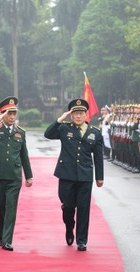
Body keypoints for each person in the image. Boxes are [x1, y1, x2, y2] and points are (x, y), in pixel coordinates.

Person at [44, 98, 104, 251]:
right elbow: (48, 134)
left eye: (81, 113)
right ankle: (69, 227)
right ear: (71, 115)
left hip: (85, 176)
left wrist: (99, 177)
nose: (78, 116)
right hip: (66, 175)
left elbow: (98, 157)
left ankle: (82, 240)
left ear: (86, 115)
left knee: (84, 208)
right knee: (68, 207)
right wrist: (59, 119)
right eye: (75, 113)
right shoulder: (65, 129)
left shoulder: (95, 133)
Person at [0, 96, 33, 251]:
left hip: (14, 176)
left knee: (11, 207)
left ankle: (7, 240)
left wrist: (28, 175)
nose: (12, 117)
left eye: (14, 113)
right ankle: (1, 236)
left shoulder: (20, 133)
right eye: (9, 113)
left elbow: (24, 155)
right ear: (2, 114)